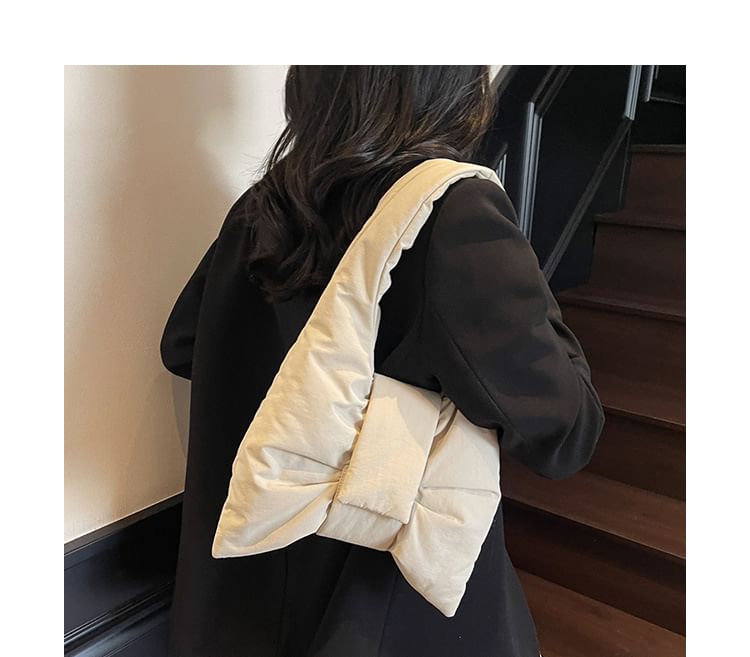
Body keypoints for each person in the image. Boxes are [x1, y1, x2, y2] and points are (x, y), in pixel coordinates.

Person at [160, 65, 605, 657]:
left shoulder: (263, 205)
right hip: (380, 602)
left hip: (244, 592)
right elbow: (566, 431)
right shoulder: (452, 212)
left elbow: (183, 345)